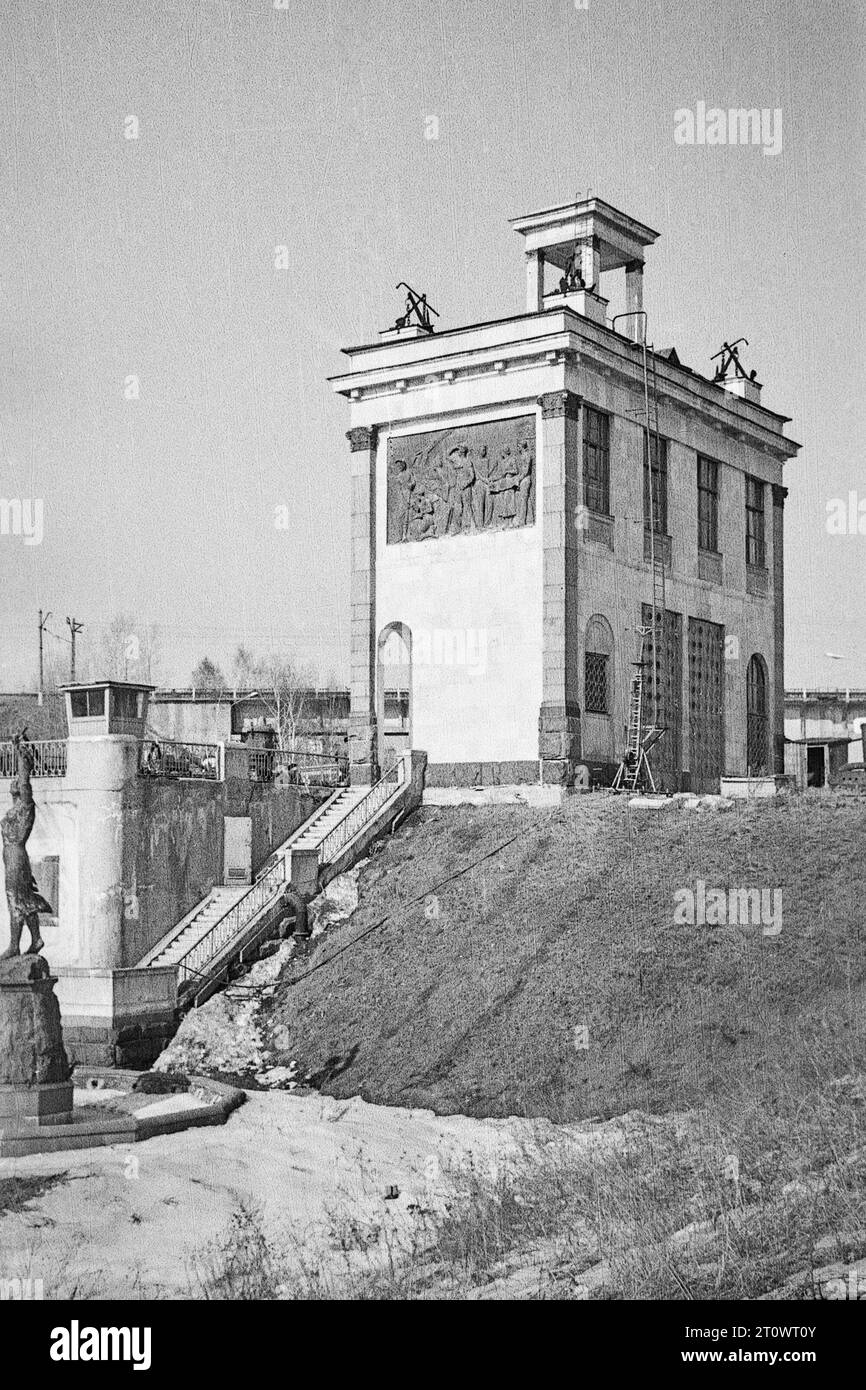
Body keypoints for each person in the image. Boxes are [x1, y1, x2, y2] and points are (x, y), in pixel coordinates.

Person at [1, 734, 53, 958]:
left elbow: (24, 778)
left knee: (15, 898)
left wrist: (20, 751)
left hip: (16, 857)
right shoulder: (16, 809)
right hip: (13, 857)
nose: (15, 782)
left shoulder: (26, 806)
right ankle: (36, 939)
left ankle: (14, 945)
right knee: (24, 898)